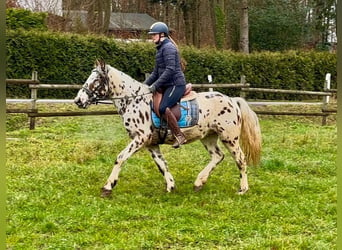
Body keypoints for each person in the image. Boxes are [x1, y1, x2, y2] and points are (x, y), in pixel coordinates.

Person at [144, 21, 187, 148]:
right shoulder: (160, 49)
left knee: (162, 107)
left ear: (162, 35)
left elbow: (170, 70)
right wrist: (142, 86)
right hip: (168, 85)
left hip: (176, 84)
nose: (152, 37)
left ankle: (179, 135)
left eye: (154, 35)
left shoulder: (168, 48)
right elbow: (155, 73)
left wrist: (155, 86)